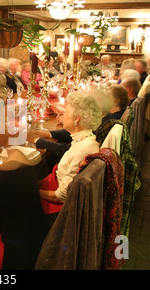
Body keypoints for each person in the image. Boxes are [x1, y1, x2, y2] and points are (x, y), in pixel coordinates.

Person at [38, 92, 101, 225]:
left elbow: (60, 196)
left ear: (76, 119)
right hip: (54, 182)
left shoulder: (81, 151)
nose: (61, 116)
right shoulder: (87, 139)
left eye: (65, 113)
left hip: (58, 210)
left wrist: (33, 193)